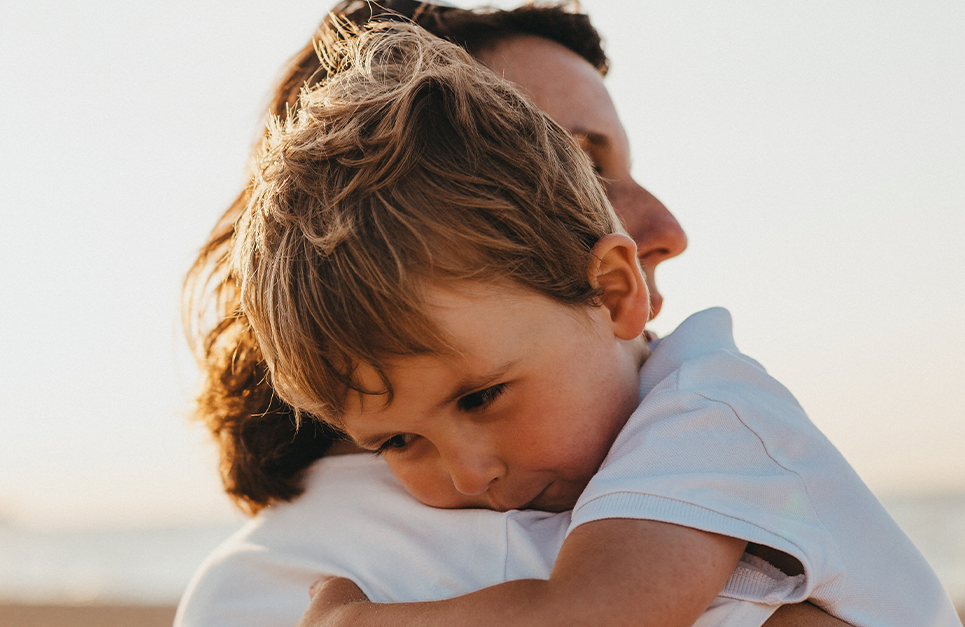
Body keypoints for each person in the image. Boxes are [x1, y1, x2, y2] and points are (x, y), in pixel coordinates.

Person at [233, 20, 958, 627]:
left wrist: (355, 621)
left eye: (481, 397)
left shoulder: (707, 415)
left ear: (612, 293)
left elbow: (586, 616)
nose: (470, 473)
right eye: (398, 441)